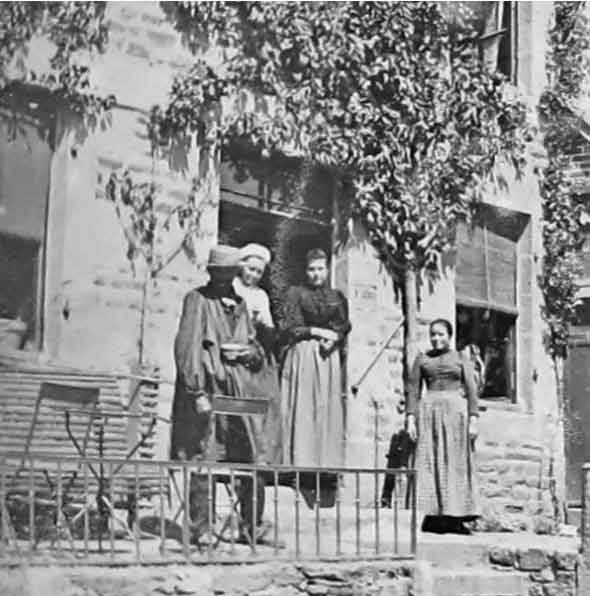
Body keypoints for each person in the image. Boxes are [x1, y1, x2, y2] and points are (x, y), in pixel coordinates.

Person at [170, 244, 273, 545]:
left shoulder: (241, 305)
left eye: (230, 274)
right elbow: (187, 348)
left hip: (240, 390)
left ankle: (251, 527)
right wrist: (196, 392)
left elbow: (255, 347)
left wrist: (250, 353)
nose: (225, 281)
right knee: (206, 456)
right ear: (212, 274)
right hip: (210, 390)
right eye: (221, 275)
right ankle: (200, 528)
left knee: (252, 455)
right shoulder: (198, 300)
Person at [279, 248, 351, 506]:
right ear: (305, 271)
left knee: (325, 409)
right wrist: (318, 332)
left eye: (320, 269)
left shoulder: (336, 297)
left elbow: (343, 325)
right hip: (304, 354)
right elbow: (291, 327)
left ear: (328, 269)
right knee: (304, 408)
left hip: (327, 358)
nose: (316, 274)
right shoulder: (295, 293)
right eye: (311, 269)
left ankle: (324, 474)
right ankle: (298, 472)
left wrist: (335, 339)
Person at [405, 318, 480, 534]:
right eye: (433, 334)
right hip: (428, 412)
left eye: (441, 334)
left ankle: (455, 517)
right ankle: (430, 516)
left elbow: (471, 390)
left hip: (455, 414)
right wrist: (411, 418)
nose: (436, 338)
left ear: (450, 336)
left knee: (455, 463)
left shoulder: (461, 358)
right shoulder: (422, 359)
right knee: (428, 461)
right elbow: (413, 390)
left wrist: (473, 419)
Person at [233, 242, 283, 465]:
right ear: (241, 266)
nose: (253, 275)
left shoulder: (261, 295)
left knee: (264, 399)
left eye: (258, 272)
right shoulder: (232, 286)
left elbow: (267, 325)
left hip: (253, 348)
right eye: (250, 269)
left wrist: (263, 327)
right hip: (233, 345)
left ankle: (259, 456)